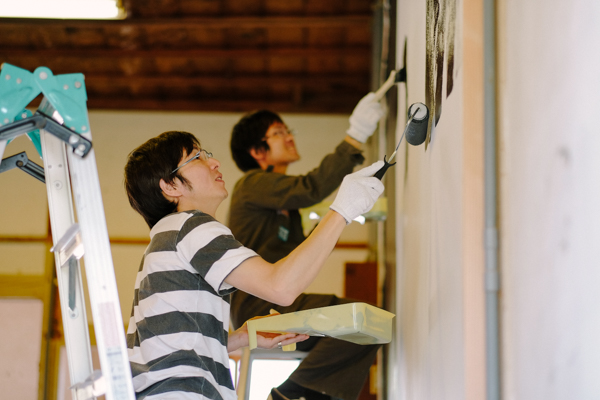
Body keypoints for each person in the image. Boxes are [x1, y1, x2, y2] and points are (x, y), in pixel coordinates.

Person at [123, 130, 384, 400]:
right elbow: (280, 287)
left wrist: (242, 336)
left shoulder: (165, 240)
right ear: (170, 186)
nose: (214, 163)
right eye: (197, 157)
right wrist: (342, 211)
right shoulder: (189, 226)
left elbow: (173, 345)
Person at [228, 93, 385, 400]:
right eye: (279, 133)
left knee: (370, 327)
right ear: (257, 151)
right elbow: (310, 188)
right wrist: (354, 138)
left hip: (274, 304)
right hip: (260, 308)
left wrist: (341, 215)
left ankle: (296, 395)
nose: (289, 137)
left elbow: (301, 252)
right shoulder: (251, 184)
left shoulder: (282, 203)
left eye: (288, 131)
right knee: (366, 322)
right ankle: (290, 395)